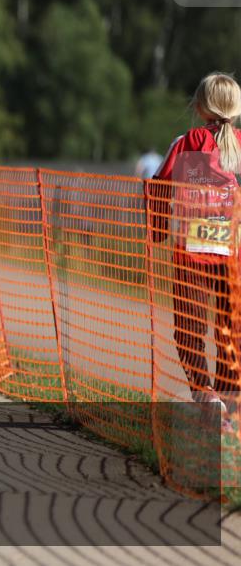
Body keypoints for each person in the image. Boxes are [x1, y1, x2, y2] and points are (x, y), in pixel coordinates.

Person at [152, 72, 241, 427]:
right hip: (233, 256)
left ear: (200, 106)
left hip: (191, 252)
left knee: (188, 327)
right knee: (230, 328)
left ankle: (206, 393)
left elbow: (157, 187)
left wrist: (157, 232)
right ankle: (228, 402)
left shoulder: (185, 142)